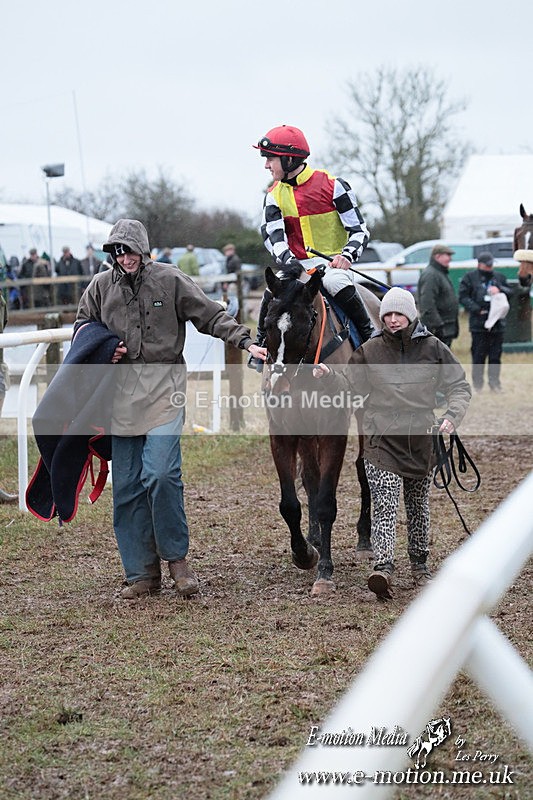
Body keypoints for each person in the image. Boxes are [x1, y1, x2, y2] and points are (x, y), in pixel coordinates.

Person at [75, 218, 266, 599]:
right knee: (127, 484)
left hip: (165, 391)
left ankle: (177, 561)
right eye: (117, 250)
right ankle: (142, 574)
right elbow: (83, 328)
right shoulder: (99, 287)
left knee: (161, 473)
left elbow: (210, 315)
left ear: (143, 251)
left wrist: (246, 342)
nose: (123, 256)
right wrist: (102, 348)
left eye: (129, 249)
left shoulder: (170, 279)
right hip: (120, 399)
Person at [313, 287, 471, 599]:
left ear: (411, 315)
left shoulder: (434, 348)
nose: (393, 320)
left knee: (417, 505)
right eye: (388, 315)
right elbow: (348, 382)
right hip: (380, 439)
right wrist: (330, 373)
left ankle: (420, 565)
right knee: (384, 502)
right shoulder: (370, 351)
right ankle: (383, 567)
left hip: (420, 438)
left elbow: (459, 385)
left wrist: (452, 416)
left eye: (399, 314)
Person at [249, 124, 373, 367]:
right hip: (296, 266)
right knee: (271, 290)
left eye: (270, 159)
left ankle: (369, 339)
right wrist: (289, 260)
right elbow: (273, 237)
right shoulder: (273, 194)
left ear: (288, 158)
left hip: (332, 265)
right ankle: (261, 346)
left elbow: (359, 230)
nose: (266, 165)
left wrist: (347, 255)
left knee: (334, 282)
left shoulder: (334, 186)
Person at [458, 252, 512, 393]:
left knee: (495, 356)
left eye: (491, 265)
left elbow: (510, 292)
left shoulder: (499, 277)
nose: (489, 267)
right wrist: (476, 309)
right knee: (478, 356)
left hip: (497, 324)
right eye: (486, 265)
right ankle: (478, 385)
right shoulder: (469, 278)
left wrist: (500, 289)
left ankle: (494, 384)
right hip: (479, 324)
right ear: (479, 264)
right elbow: (463, 297)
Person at [417, 244, 459, 347]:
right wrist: (438, 325)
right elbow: (427, 303)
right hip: (437, 329)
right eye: (447, 255)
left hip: (445, 327)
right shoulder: (431, 275)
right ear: (437, 256)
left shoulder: (440, 273)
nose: (450, 259)